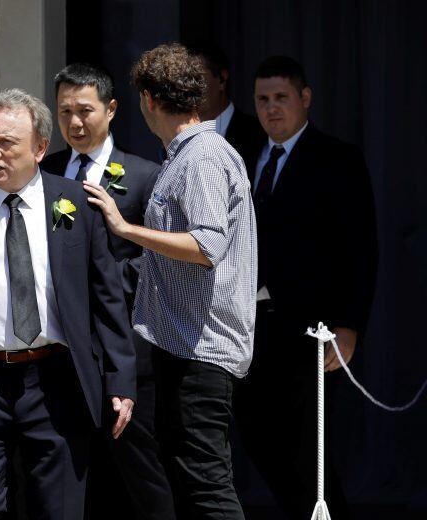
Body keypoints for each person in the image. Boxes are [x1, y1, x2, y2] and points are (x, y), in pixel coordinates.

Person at [0, 88, 136, 519]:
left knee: (59, 509)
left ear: (39, 148)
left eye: (7, 143)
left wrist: (120, 379)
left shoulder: (77, 205)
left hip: (57, 379)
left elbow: (107, 298)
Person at [84, 43, 255, 519]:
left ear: (148, 99)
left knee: (206, 487)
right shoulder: (191, 153)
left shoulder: (200, 156)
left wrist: (126, 228)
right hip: (185, 348)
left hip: (201, 350)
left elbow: (206, 245)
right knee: (186, 482)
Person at [235, 55, 378, 520]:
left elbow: (360, 250)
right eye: (262, 99)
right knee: (255, 434)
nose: (272, 109)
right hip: (251, 326)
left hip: (312, 329)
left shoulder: (337, 159)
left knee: (307, 450)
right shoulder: (243, 154)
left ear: (304, 98)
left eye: (281, 97)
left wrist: (350, 324)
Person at [40, 62, 174, 520]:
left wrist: (89, 287)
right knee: (71, 471)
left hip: (126, 348)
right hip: (60, 351)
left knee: (141, 472)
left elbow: (155, 258)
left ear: (111, 109)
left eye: (85, 111)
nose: (75, 124)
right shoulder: (46, 172)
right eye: (64, 113)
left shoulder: (144, 175)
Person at [188, 41, 265, 165]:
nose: (188, 87)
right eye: (184, 80)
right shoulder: (180, 137)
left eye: (196, 78)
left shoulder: (259, 134)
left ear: (222, 79)